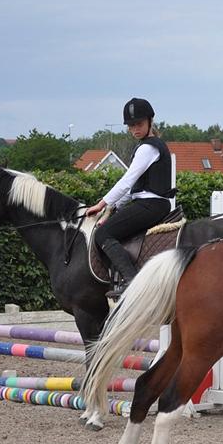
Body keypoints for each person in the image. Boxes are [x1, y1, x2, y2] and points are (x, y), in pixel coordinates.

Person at [85, 97, 176, 297]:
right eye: (131, 125)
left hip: (152, 205)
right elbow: (131, 189)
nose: (135, 128)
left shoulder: (148, 148)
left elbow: (126, 182)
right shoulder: (145, 146)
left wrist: (101, 204)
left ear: (150, 121)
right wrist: (111, 210)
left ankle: (132, 281)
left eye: (139, 124)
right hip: (147, 203)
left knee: (102, 235)